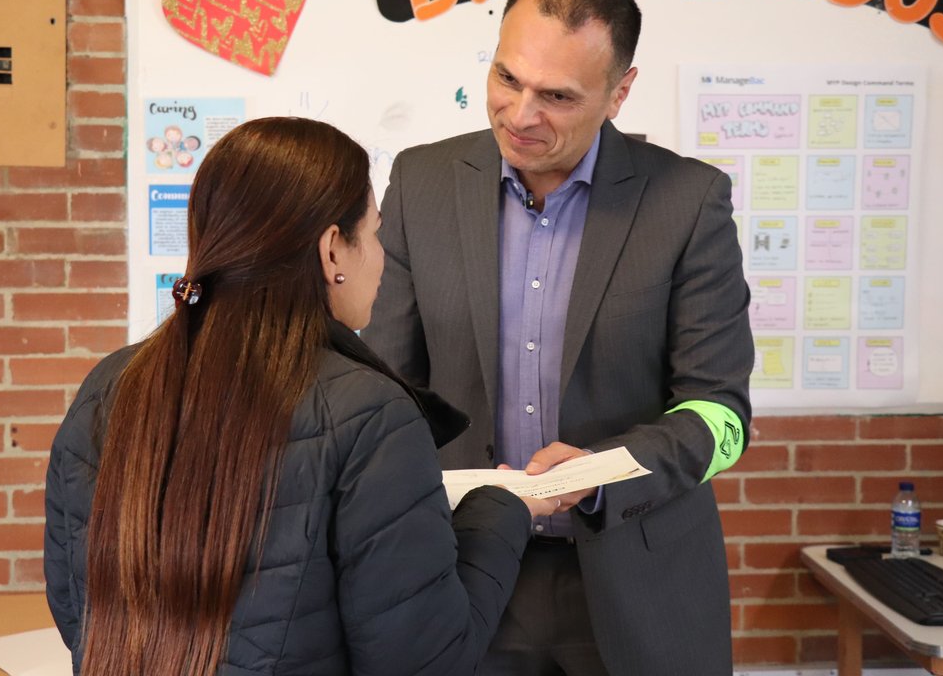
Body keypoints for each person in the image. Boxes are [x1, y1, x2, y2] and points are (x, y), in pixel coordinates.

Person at [43, 117, 558, 675]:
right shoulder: (369, 415)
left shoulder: (109, 387)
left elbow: (78, 611)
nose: (381, 258)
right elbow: (423, 659)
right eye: (375, 233)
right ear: (333, 250)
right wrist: (504, 510)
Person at [361, 0, 755, 675]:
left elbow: (721, 416)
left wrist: (602, 473)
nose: (520, 115)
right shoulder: (421, 183)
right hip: (461, 573)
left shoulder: (688, 202)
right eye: (507, 79)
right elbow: (388, 391)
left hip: (639, 581)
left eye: (557, 96)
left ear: (618, 94)